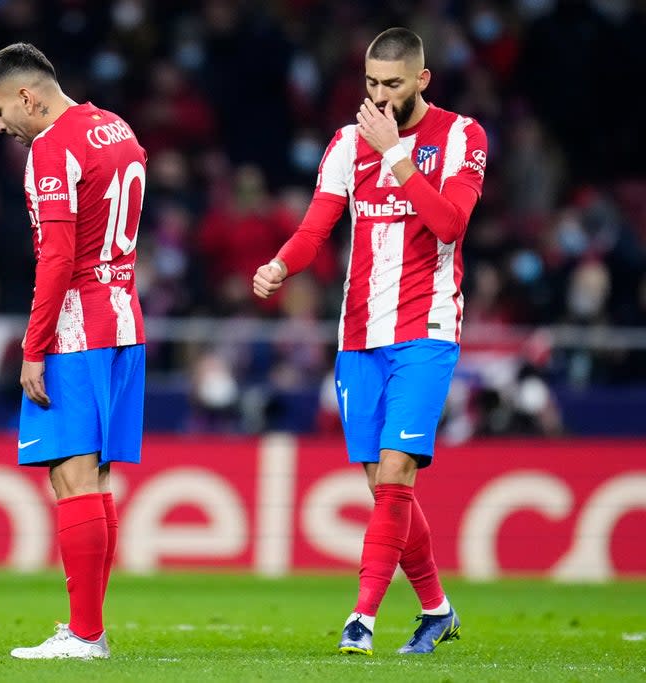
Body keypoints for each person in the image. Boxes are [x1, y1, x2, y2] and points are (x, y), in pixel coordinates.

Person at [253, 27, 487, 656]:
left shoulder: (462, 136)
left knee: (396, 474)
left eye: (392, 84)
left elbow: (450, 225)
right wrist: (279, 265)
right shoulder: (345, 143)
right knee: (386, 489)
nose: (379, 97)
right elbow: (314, 228)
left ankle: (361, 620)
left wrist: (398, 157)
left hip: (427, 331)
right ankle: (437, 610)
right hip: (358, 337)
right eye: (370, 84)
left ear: (422, 80)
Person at [0, 43, 147, 660]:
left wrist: (34, 346)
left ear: (27, 96)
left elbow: (56, 257)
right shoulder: (116, 127)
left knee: (71, 479)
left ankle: (84, 634)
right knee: (96, 482)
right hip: (125, 317)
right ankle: (89, 630)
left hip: (76, 326)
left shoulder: (52, 145)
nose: (2, 127)